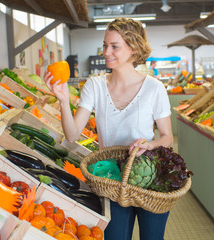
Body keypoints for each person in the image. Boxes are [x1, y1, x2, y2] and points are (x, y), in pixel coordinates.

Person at [44, 17, 173, 240]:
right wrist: (63, 101)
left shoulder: (154, 88)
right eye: (105, 45)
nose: (106, 52)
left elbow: (167, 137)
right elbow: (73, 135)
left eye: (115, 46)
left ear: (133, 48)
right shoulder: (95, 86)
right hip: (110, 181)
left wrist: (150, 145)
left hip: (148, 179)